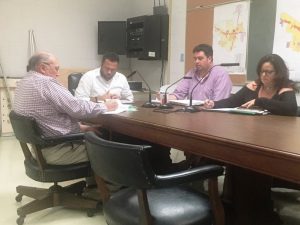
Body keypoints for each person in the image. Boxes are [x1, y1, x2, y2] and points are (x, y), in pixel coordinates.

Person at [13, 51, 118, 165]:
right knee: (112, 152)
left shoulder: (23, 82)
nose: (58, 74)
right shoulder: (46, 82)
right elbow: (77, 108)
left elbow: (44, 118)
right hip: (58, 151)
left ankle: (93, 182)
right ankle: (108, 183)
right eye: (56, 68)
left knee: (94, 137)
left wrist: (80, 127)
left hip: (38, 150)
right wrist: (104, 106)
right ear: (43, 68)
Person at [204, 53, 298, 116]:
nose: (264, 75)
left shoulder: (285, 88)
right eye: (262, 72)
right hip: (253, 131)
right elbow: (232, 102)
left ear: (278, 72)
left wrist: (259, 101)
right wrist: (214, 103)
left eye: (269, 72)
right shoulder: (254, 86)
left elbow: (291, 109)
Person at [163, 43, 232, 101]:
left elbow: (219, 102)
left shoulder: (221, 74)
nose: (196, 61)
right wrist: (165, 98)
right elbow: (179, 94)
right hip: (191, 113)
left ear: (209, 59)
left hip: (212, 114)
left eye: (200, 58)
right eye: (195, 59)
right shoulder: (191, 73)